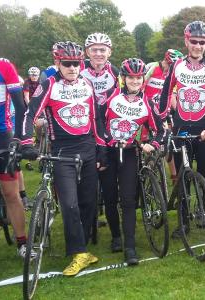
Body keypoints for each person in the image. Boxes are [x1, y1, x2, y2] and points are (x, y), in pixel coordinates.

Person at [22, 41, 107, 276]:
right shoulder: (49, 84)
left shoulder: (87, 83)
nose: (72, 67)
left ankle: (83, 244)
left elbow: (96, 120)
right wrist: (26, 142)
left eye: (76, 63)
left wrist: (101, 149)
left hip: (89, 148)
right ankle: (78, 253)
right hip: (62, 152)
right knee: (69, 204)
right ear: (57, 63)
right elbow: (30, 115)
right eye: (67, 63)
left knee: (89, 202)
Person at [159, 20, 205, 238]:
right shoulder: (177, 65)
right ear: (186, 41)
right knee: (182, 178)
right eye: (194, 41)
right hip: (181, 130)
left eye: (202, 42)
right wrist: (162, 120)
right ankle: (183, 222)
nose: (197, 45)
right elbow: (165, 94)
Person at [101, 58, 164, 265]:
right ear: (123, 78)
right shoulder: (110, 96)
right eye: (131, 77)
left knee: (128, 200)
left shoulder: (147, 102)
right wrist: (107, 141)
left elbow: (159, 130)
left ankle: (130, 247)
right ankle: (116, 236)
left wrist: (152, 144)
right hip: (109, 153)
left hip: (129, 153)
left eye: (138, 77)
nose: (135, 81)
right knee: (110, 197)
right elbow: (97, 122)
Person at [0, 23, 29, 257]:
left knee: (10, 193)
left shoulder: (2, 66)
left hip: (0, 136)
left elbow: (21, 107)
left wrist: (19, 138)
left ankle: (23, 242)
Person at [80, 32, 120, 250]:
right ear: (87, 52)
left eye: (102, 49)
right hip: (85, 133)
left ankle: (116, 236)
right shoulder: (79, 72)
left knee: (109, 186)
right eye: (94, 49)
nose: (98, 53)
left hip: (108, 133)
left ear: (109, 52)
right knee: (84, 188)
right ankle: (84, 231)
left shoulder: (115, 73)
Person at [144, 49, 183, 184]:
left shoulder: (171, 75)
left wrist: (178, 111)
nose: (171, 70)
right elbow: (140, 85)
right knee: (144, 141)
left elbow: (172, 94)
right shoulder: (152, 67)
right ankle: (145, 168)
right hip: (146, 110)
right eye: (171, 66)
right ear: (166, 61)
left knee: (167, 140)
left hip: (161, 112)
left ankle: (174, 176)